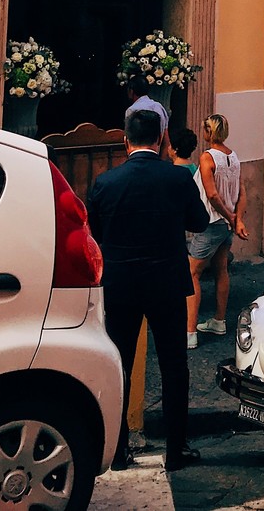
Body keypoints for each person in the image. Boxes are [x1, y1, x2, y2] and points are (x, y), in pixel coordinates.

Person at [87, 108, 209, 472]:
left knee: (119, 365)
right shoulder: (176, 180)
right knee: (174, 365)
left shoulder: (106, 183)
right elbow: (199, 221)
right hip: (166, 282)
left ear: (126, 141)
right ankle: (176, 449)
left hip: (121, 284)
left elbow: (96, 231)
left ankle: (120, 449)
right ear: (161, 140)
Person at [187, 113, 247, 347]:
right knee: (221, 268)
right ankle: (218, 320)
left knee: (192, 273)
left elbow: (212, 194)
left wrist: (228, 215)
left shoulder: (207, 158)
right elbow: (242, 193)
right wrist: (236, 219)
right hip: (226, 225)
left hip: (211, 222)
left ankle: (190, 331)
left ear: (208, 132)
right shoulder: (234, 157)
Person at [125, 74, 169, 154]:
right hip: (157, 156)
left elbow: (130, 138)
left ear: (131, 91)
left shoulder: (132, 110)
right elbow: (166, 139)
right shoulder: (159, 106)